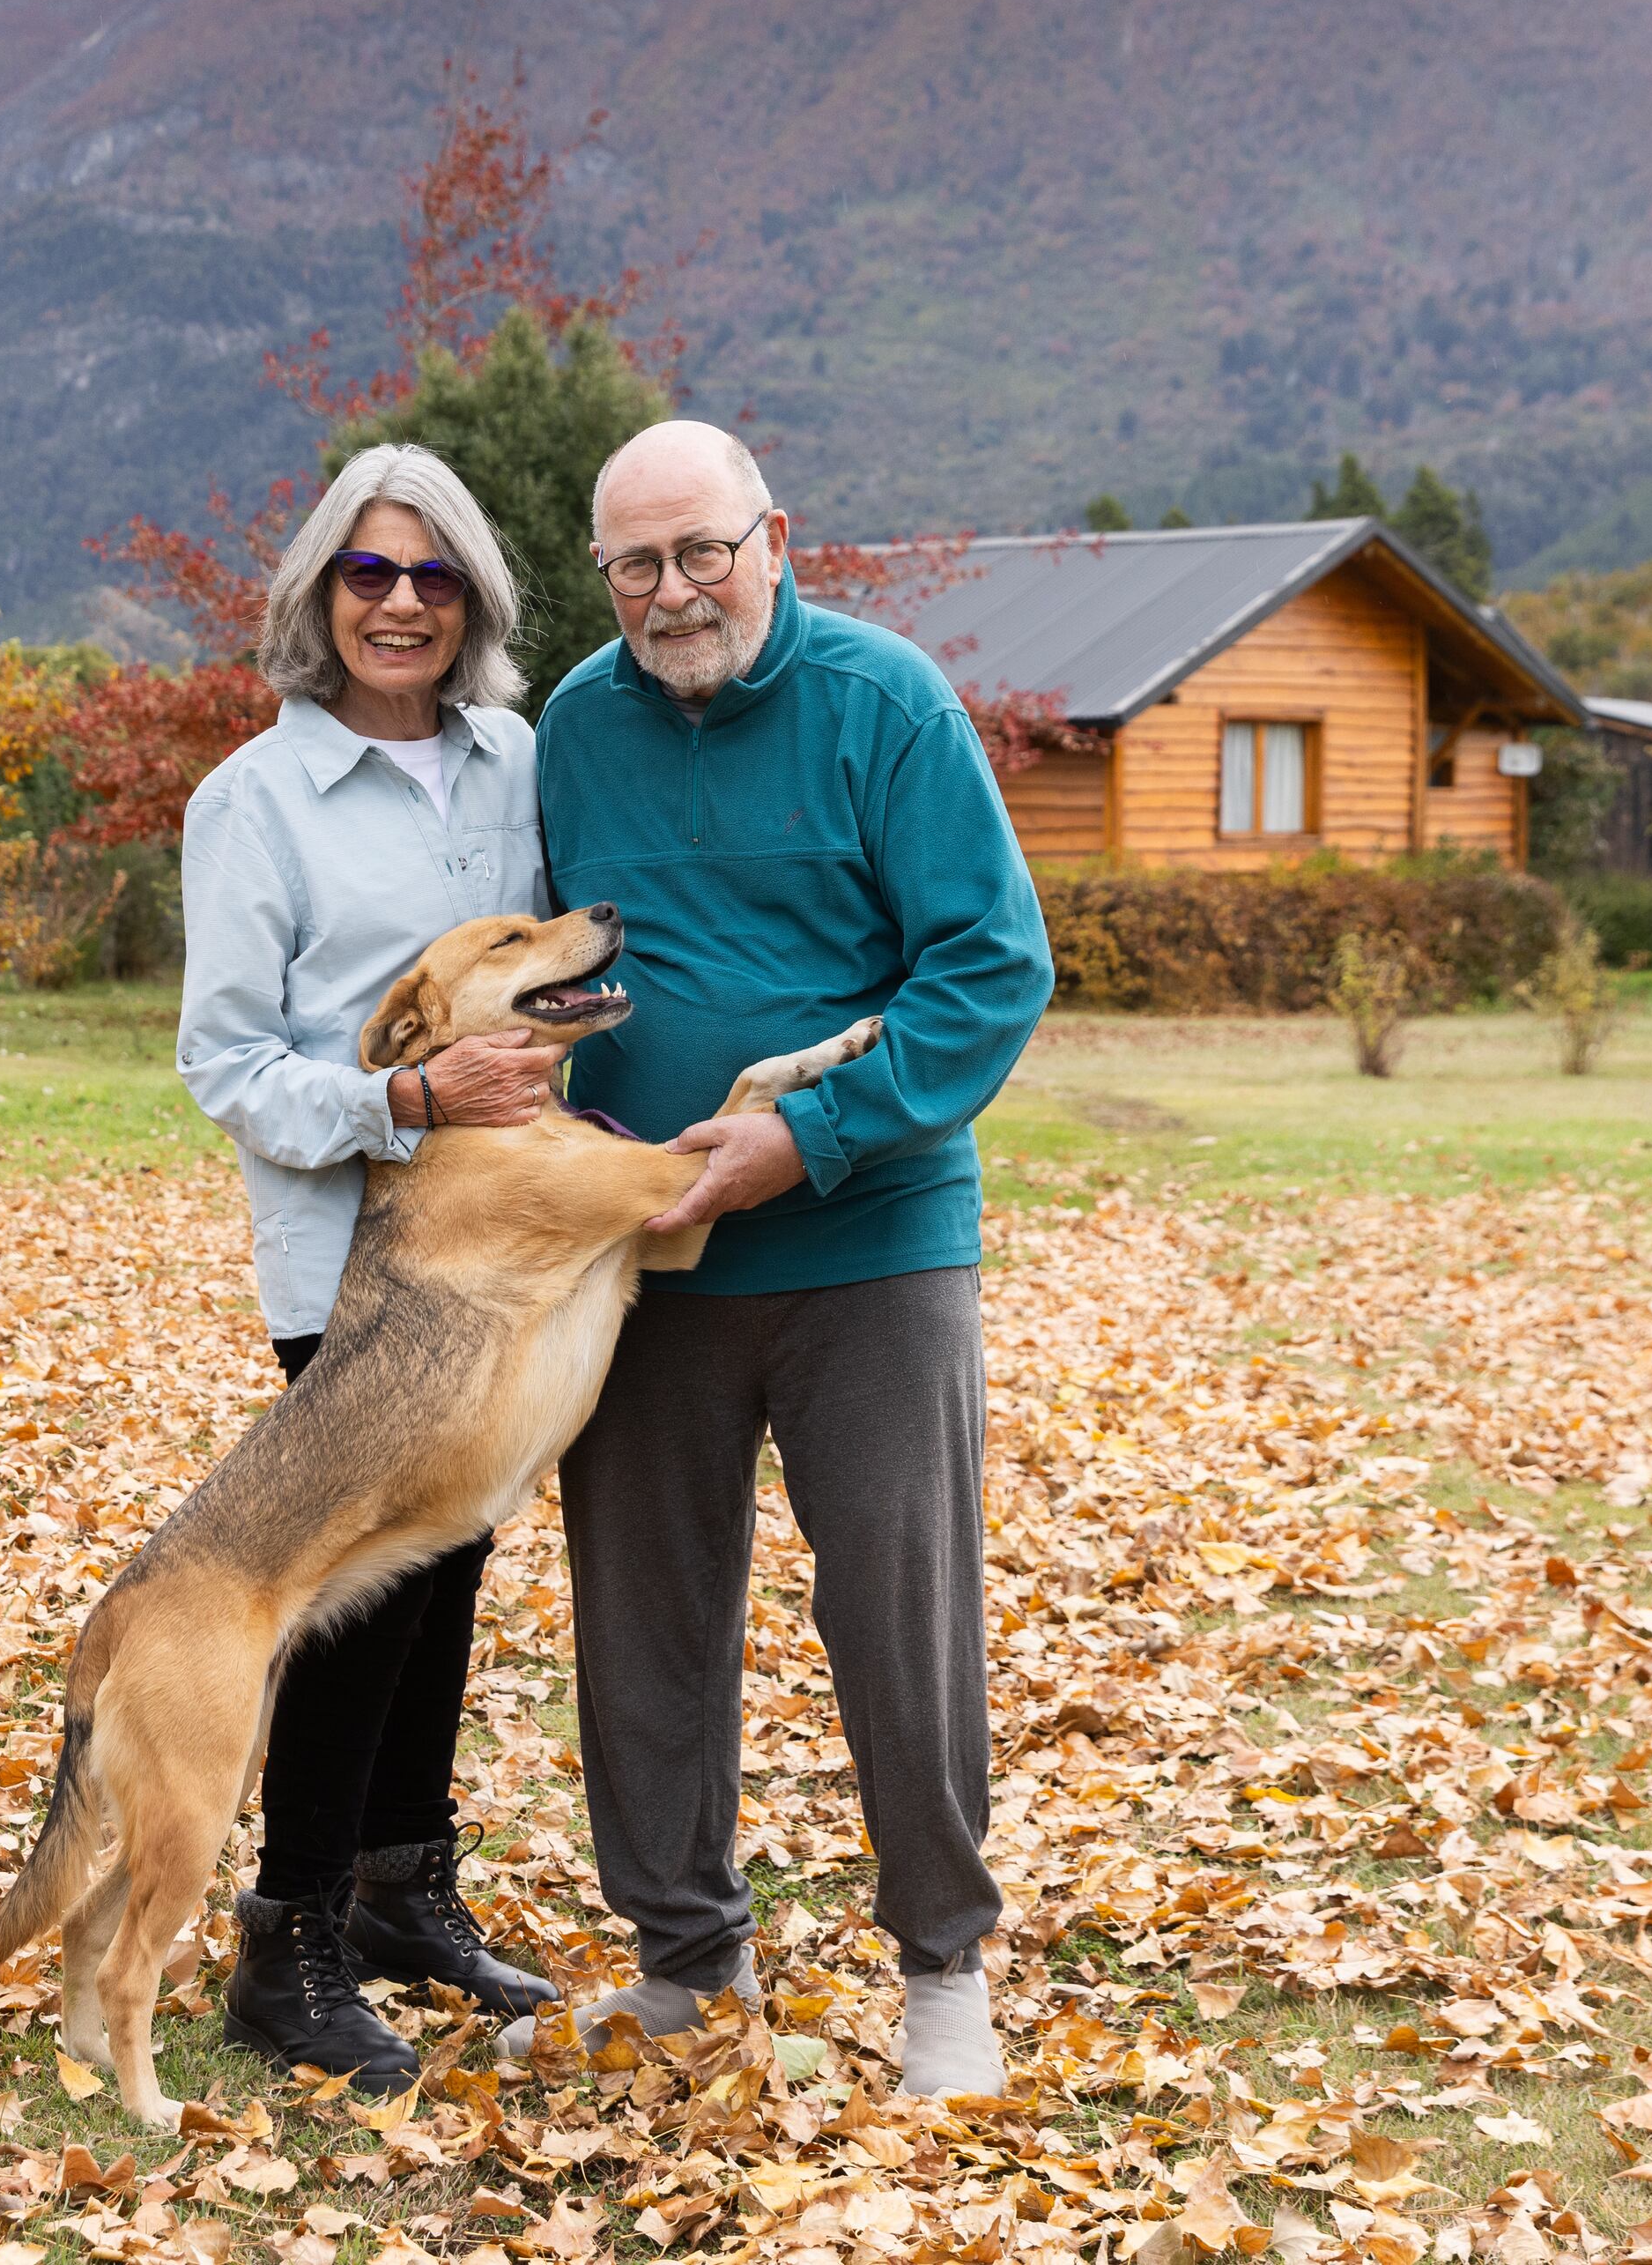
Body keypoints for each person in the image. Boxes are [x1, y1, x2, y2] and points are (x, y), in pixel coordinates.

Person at [503, 418, 1054, 2100]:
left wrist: (808, 1138)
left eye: (703, 552)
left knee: (899, 1610)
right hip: (649, 1249)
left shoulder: (888, 704)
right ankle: (686, 1962)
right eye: (636, 564)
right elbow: (552, 969)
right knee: (642, 1619)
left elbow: (992, 966)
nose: (674, 593)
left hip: (870, 1243)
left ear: (775, 540)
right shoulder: (574, 727)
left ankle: (944, 1973)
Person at [173, 442, 573, 2093]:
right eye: (367, 573)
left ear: (472, 596)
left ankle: (404, 1892)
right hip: (354, 1267)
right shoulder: (253, 801)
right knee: (356, 1598)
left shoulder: (518, 763)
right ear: (319, 592)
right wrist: (405, 1099)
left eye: (432, 575)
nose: (400, 603)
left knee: (447, 1570)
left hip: (504, 1255)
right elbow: (225, 1063)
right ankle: (289, 1947)